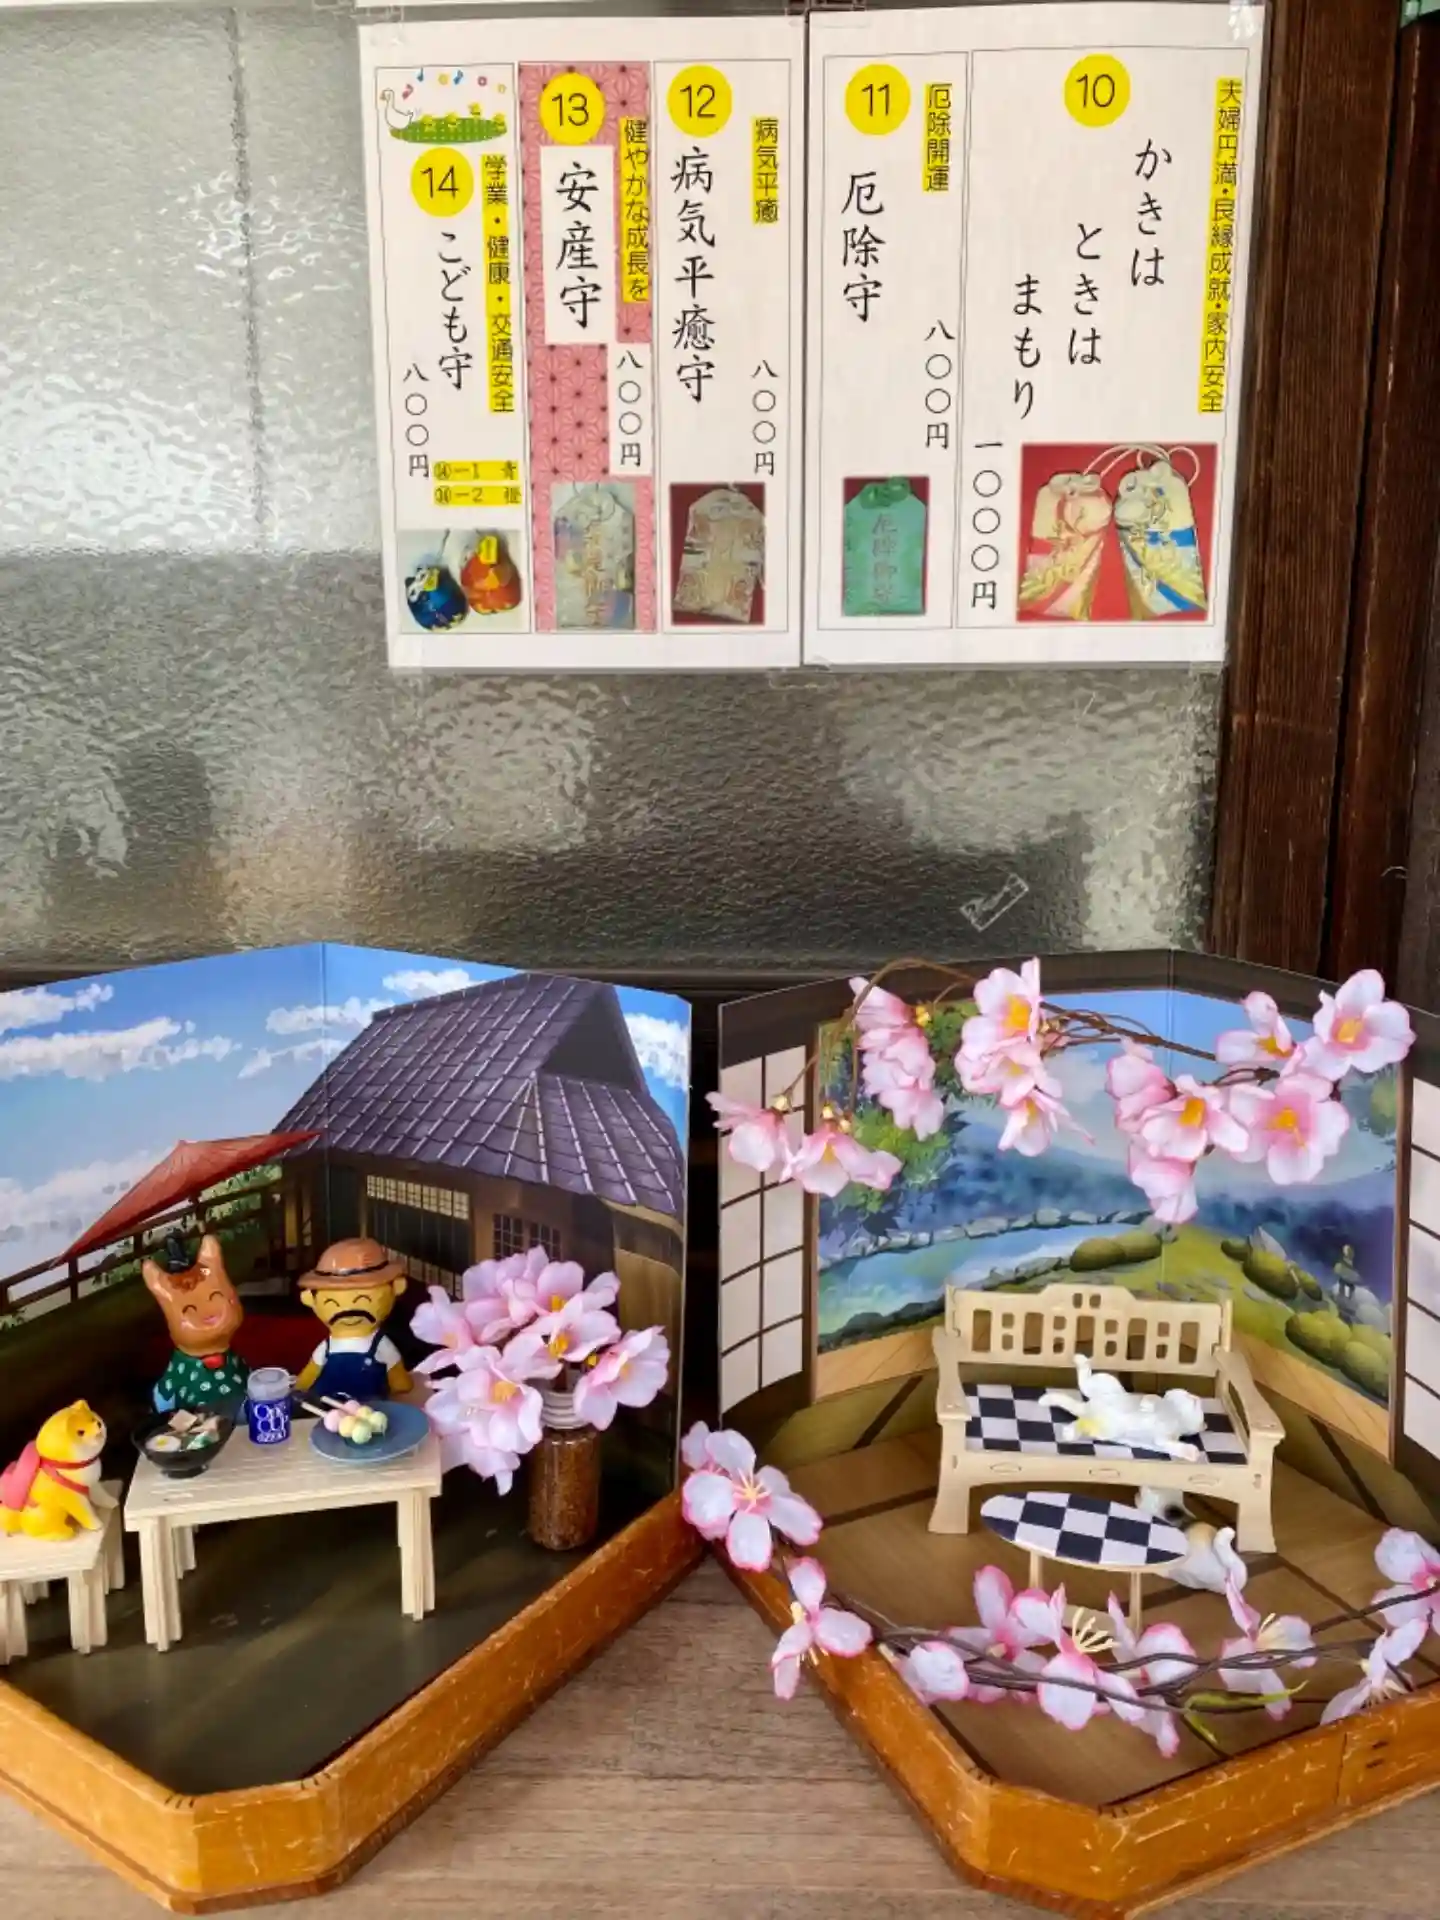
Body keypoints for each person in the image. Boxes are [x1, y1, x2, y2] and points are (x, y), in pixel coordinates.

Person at [295, 1239, 413, 1403]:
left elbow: (397, 1375)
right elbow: (310, 1372)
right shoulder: (327, 1347)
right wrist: (299, 1388)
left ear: (396, 1288)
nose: (348, 1312)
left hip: (371, 1406)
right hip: (327, 1405)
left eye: (363, 1299)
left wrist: (401, 1387)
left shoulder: (381, 1345)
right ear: (309, 1299)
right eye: (332, 1303)